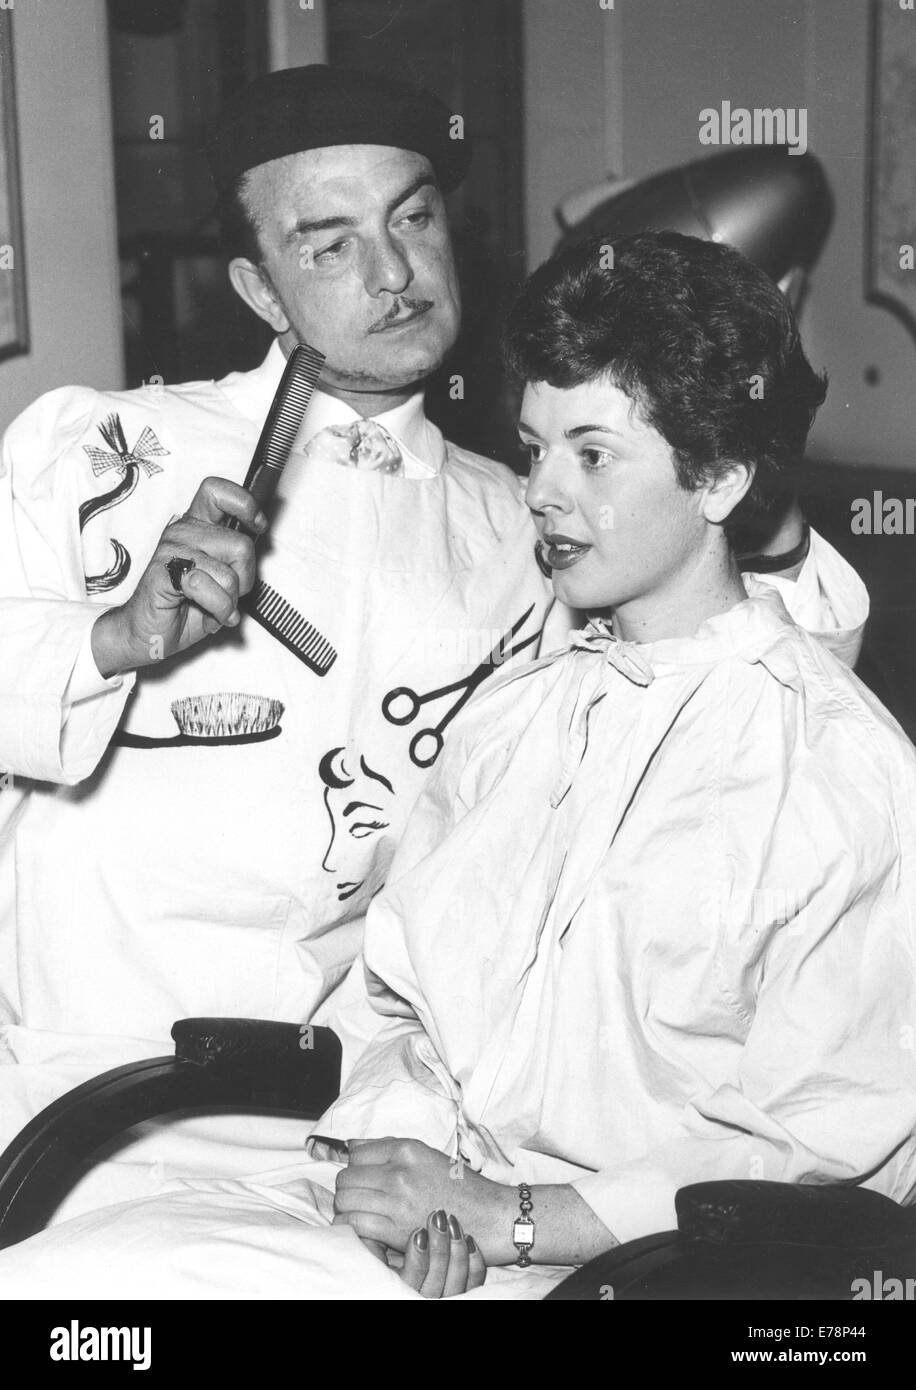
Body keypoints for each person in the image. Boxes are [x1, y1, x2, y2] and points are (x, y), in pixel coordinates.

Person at [1, 231, 909, 1301]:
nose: (541, 495)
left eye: (592, 455)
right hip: (428, 1237)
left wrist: (521, 1218)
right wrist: (398, 1171)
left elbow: (829, 1151)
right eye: (532, 450)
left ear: (717, 479)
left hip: (647, 1275)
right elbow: (399, 1006)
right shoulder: (516, 718)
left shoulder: (839, 769)